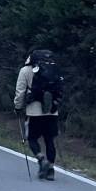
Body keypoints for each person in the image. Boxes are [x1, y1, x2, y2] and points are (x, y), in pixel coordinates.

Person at [14, 49, 60, 180]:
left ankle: (41, 159)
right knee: (49, 140)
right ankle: (50, 170)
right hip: (52, 111)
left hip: (34, 112)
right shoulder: (53, 69)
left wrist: (18, 107)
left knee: (32, 138)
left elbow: (20, 91)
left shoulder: (25, 71)